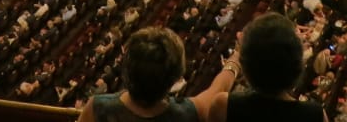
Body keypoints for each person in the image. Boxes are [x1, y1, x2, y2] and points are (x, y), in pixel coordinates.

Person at [77, 27, 241, 122]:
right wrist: (236, 56)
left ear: (125, 69)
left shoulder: (98, 108)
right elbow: (220, 86)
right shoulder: (189, 113)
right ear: (177, 77)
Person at [203, 13, 328, 121]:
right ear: (297, 66)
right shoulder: (315, 115)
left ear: (247, 65)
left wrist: (233, 63)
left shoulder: (224, 106)